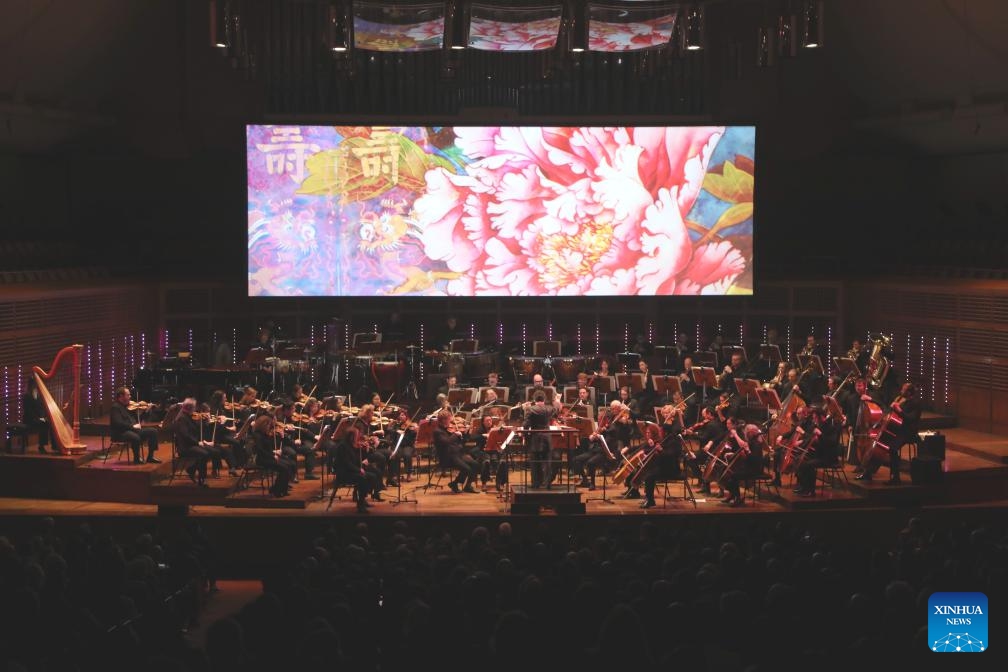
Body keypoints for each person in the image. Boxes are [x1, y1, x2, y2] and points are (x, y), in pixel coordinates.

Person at [856, 382, 922, 484]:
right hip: (896, 430)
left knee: (892, 449)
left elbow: (911, 419)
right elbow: (887, 410)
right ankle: (868, 473)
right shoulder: (900, 399)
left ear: (909, 392)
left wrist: (899, 410)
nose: (901, 391)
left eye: (903, 390)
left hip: (908, 432)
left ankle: (895, 478)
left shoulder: (916, 403)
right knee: (879, 444)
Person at [635, 403, 685, 509]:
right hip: (663, 463)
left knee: (649, 476)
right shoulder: (666, 434)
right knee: (646, 468)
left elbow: (671, 454)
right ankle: (648, 498)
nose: (665, 415)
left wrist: (661, 450)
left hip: (671, 468)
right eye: (663, 413)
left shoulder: (675, 437)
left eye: (667, 413)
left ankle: (650, 501)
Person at [574, 399, 631, 490]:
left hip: (607, 451)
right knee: (577, 459)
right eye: (611, 409)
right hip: (597, 448)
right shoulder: (611, 419)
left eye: (614, 409)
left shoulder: (621, 422)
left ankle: (592, 484)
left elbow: (626, 426)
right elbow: (604, 426)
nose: (612, 411)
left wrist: (624, 419)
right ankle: (585, 480)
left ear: (619, 408)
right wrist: (595, 435)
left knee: (591, 463)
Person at [794, 405, 841, 496]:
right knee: (799, 460)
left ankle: (810, 491)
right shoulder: (819, 425)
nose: (814, 420)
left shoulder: (830, 426)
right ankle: (803, 487)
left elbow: (832, 443)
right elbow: (812, 439)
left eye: (815, 418)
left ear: (821, 417)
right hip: (819, 454)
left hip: (828, 457)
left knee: (807, 465)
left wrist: (820, 435)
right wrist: (802, 441)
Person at [719, 423, 767, 506]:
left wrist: (747, 450)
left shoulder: (756, 444)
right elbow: (746, 455)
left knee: (733, 476)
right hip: (749, 467)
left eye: (746, 432)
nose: (745, 434)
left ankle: (737, 498)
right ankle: (733, 495)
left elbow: (754, 460)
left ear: (750, 433)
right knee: (725, 471)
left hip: (755, 470)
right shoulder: (752, 441)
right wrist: (732, 453)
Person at [110, 386, 160, 464]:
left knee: (153, 431)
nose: (130, 397)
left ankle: (150, 457)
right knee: (135, 437)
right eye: (128, 395)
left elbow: (138, 420)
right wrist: (132, 426)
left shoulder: (129, 407)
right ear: (121, 396)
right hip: (121, 433)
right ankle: (137, 458)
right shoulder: (115, 408)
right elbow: (118, 423)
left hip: (133, 430)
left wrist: (146, 411)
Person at [171, 399, 214, 486]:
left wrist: (205, 422)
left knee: (211, 451)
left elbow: (197, 430)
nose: (195, 410)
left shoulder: (188, 416)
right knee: (204, 454)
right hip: (185, 447)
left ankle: (192, 469)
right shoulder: (182, 418)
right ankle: (201, 479)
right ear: (190, 408)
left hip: (192, 444)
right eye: (194, 407)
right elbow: (185, 435)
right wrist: (198, 443)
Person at [250, 414, 294, 497]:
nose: (270, 427)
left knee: (289, 464)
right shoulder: (257, 435)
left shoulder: (265, 434)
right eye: (269, 425)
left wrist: (280, 439)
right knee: (284, 468)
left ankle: (279, 489)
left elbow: (269, 447)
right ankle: (277, 490)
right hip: (262, 459)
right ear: (264, 425)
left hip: (269, 456)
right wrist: (273, 455)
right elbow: (260, 450)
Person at [433, 409, 477, 493]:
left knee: (475, 464)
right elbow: (446, 442)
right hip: (447, 457)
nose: (451, 420)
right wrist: (455, 434)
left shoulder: (450, 429)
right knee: (467, 469)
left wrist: (466, 433)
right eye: (449, 419)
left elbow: (462, 442)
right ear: (443, 420)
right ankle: (455, 483)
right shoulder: (438, 431)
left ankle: (467, 486)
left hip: (457, 454)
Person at [522, 392, 557, 488]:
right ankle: (547, 483)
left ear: (534, 400)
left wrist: (525, 435)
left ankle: (536, 483)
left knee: (535, 462)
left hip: (535, 438)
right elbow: (556, 409)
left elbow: (526, 425)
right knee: (547, 462)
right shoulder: (549, 408)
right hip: (547, 437)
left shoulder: (530, 409)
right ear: (544, 399)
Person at [21, 377, 51, 454]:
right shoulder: (26, 396)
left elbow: (40, 408)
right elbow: (29, 411)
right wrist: (39, 418)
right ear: (31, 385)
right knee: (44, 423)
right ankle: (41, 446)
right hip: (29, 419)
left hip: (36, 418)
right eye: (35, 384)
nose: (36, 386)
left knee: (48, 422)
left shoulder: (36, 394)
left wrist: (43, 417)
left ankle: (54, 445)